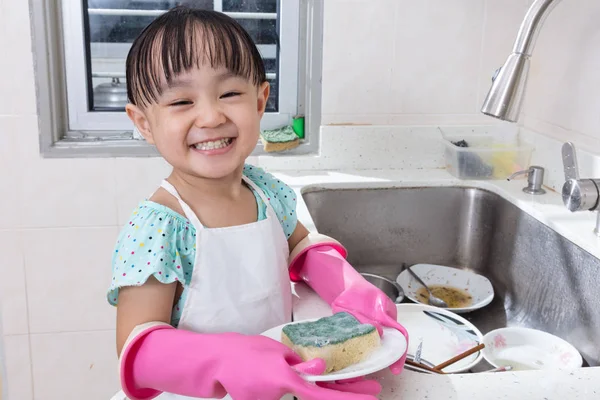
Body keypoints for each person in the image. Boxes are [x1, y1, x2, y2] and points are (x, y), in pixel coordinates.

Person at [107, 6, 408, 400]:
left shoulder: (266, 191)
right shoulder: (159, 227)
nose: (211, 116)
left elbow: (300, 246)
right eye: (181, 102)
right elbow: (138, 349)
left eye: (229, 93)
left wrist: (347, 284)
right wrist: (221, 362)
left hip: (283, 386)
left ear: (260, 101)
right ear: (144, 122)